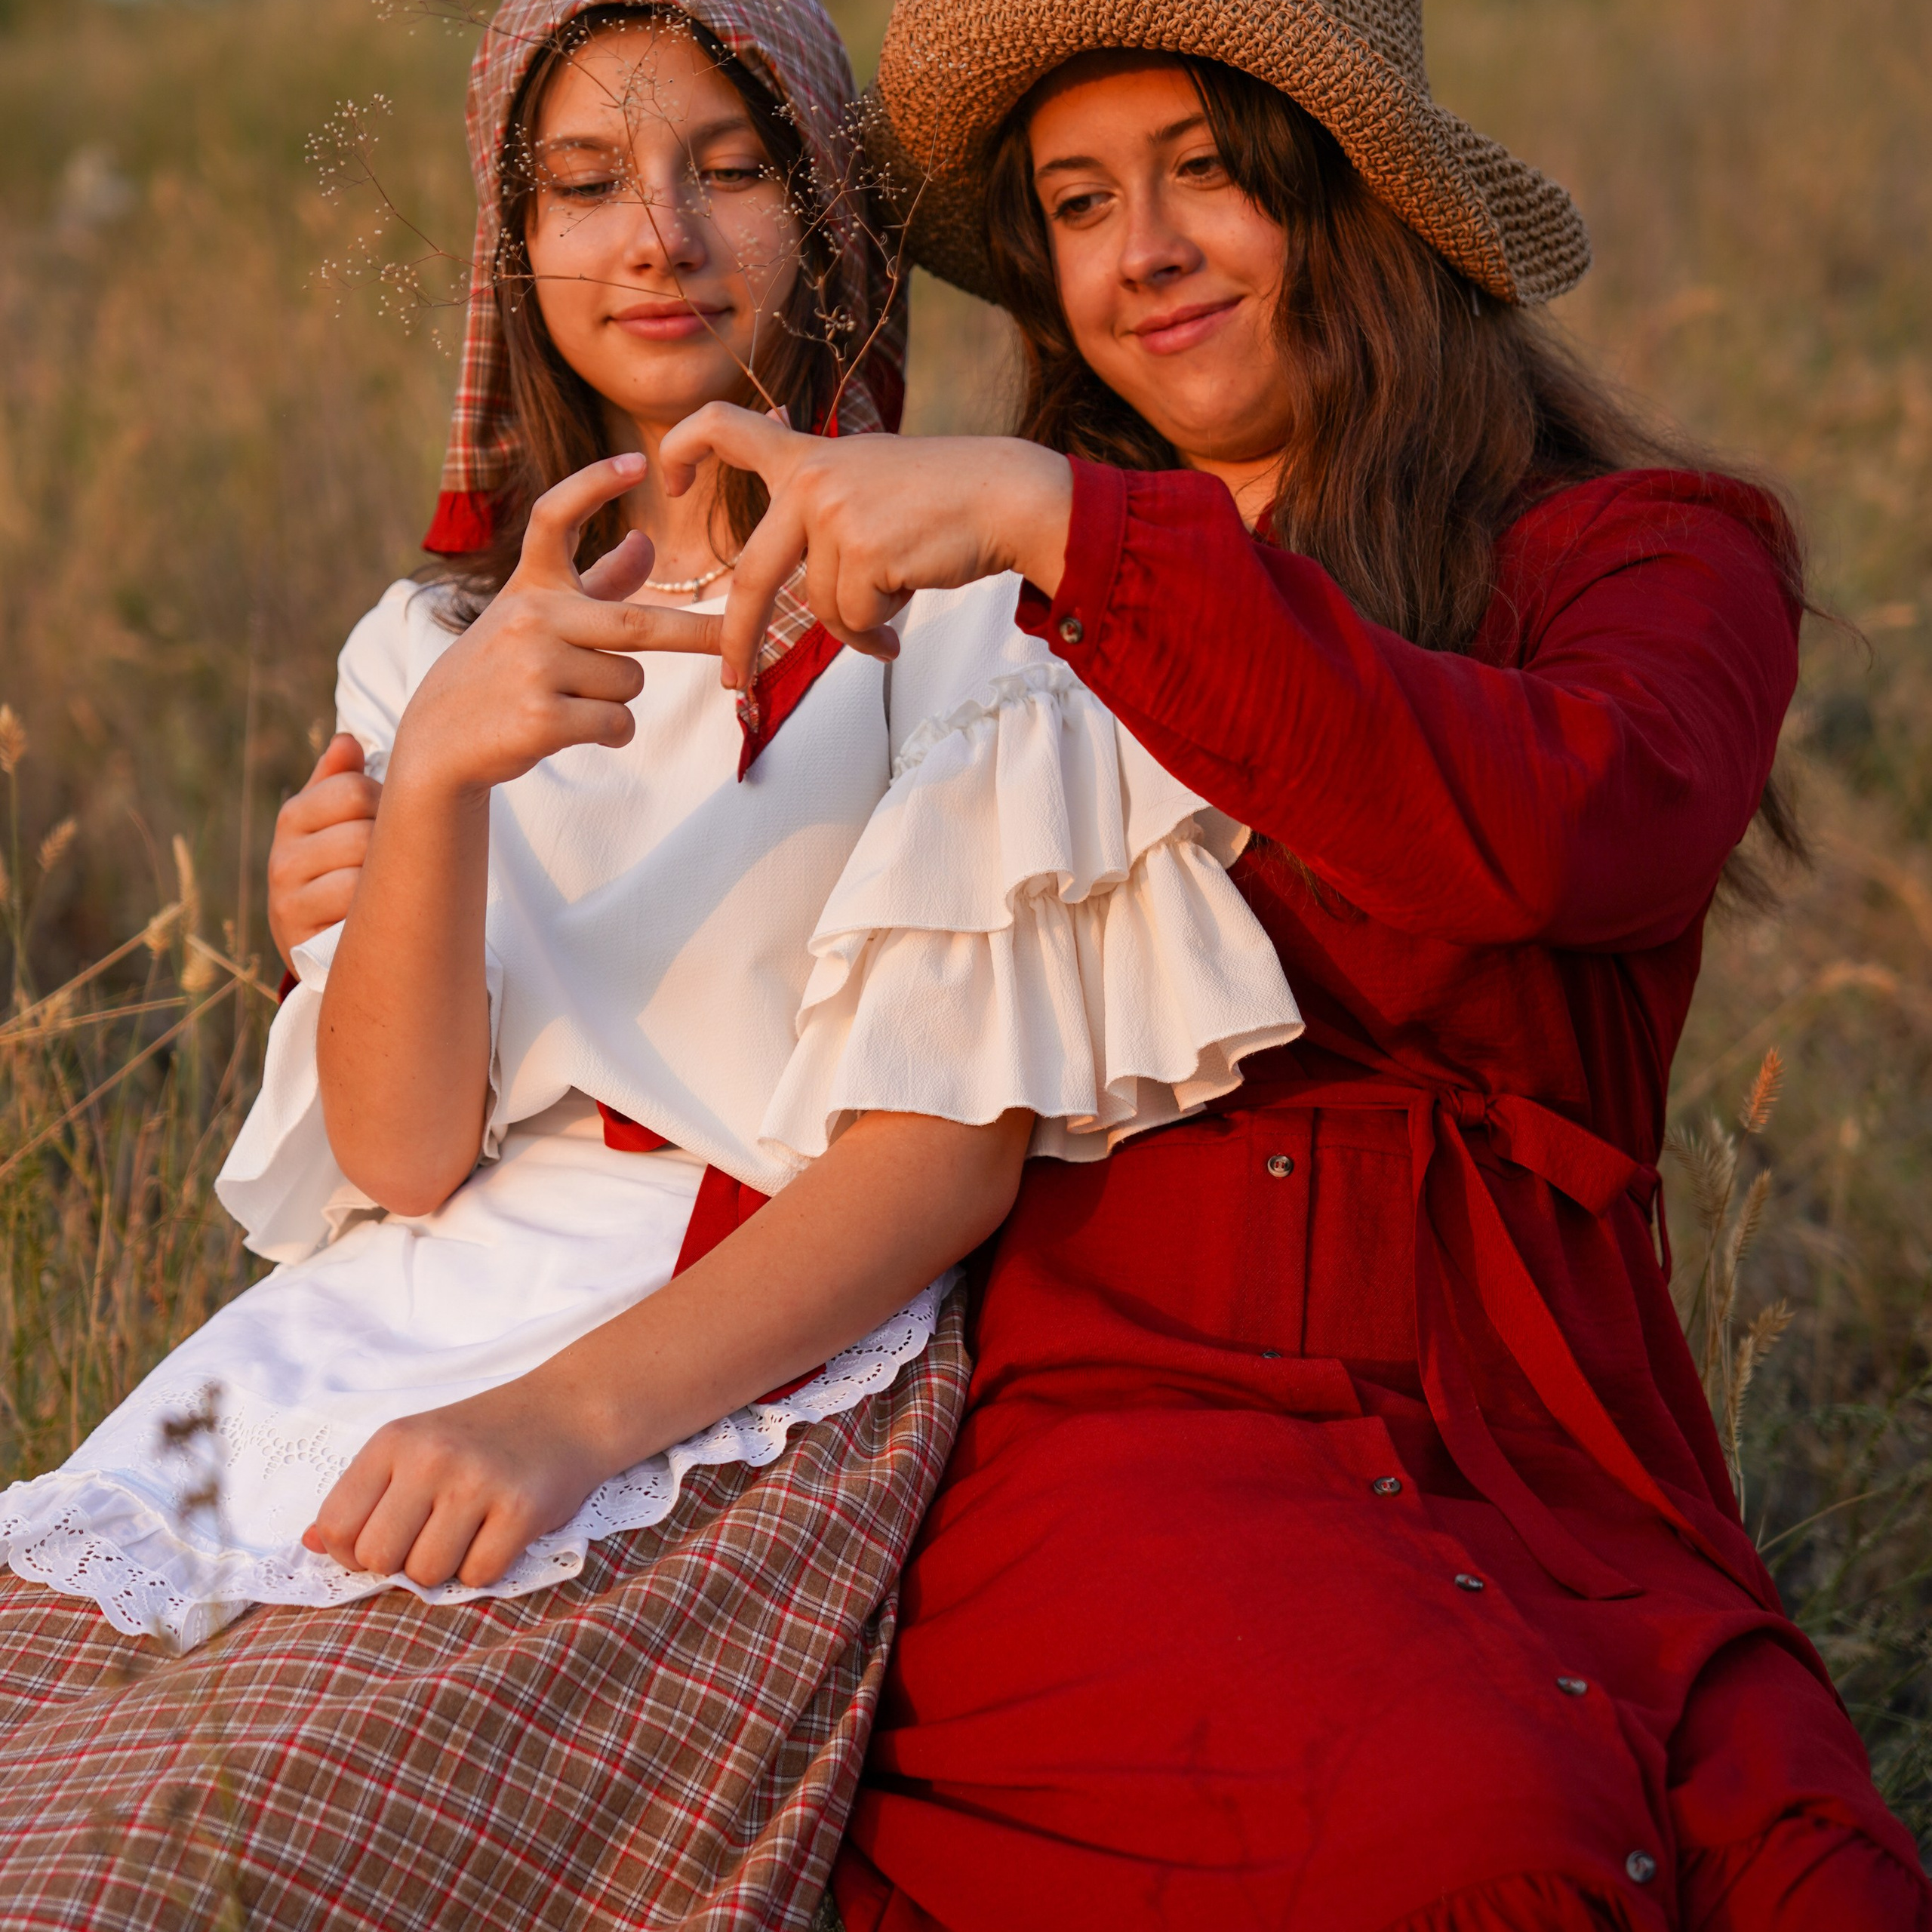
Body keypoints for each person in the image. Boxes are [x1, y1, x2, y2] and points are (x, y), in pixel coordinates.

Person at [0, 5, 1297, 1927]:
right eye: (583, 188)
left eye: (732, 170)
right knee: (50, 1767)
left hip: (728, 1356)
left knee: (230, 1853)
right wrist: (437, 767)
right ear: (513, 252)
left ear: (834, 218)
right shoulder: (421, 633)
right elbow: (402, 1151)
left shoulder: (979, 611)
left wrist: (561, 1421)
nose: (657, 241)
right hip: (382, 1313)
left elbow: (937, 1160)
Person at [646, 1, 1932, 1924]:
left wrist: (1078, 524)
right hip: (1139, 1413)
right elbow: (735, 978)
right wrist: (386, 848)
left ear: (1359, 203)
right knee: (1461, 1846)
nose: (1142, 250)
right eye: (1079, 203)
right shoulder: (981, 618)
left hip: (1557, 1434)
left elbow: (1561, 827)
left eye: (1211, 173)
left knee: (1811, 1870)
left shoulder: (1646, 559)